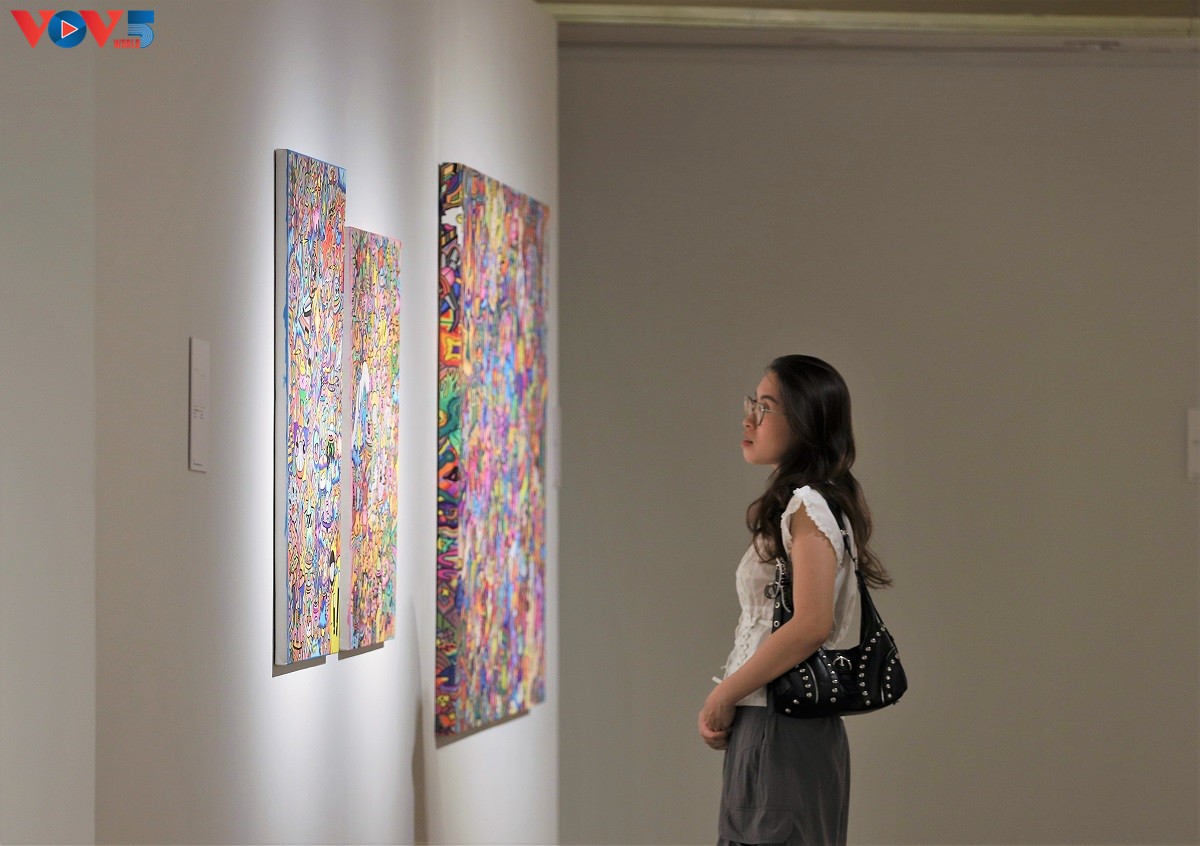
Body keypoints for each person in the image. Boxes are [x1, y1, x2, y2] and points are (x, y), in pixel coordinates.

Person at [698, 354, 892, 846]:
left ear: (805, 422)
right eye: (753, 404)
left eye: (765, 408)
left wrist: (723, 695)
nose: (749, 419)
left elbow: (810, 624)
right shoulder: (810, 503)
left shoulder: (808, 505)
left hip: (779, 729)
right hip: (779, 727)